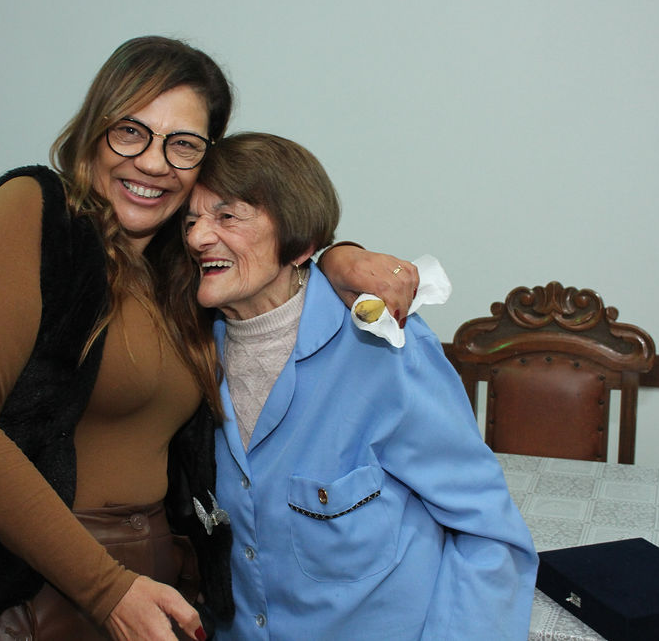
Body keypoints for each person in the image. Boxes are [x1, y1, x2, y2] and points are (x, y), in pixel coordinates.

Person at [0, 36, 421, 640]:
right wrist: (106, 588)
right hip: (30, 590)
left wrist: (336, 256)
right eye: (130, 131)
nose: (153, 163)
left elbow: (272, 241)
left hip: (148, 583)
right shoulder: (34, 211)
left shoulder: (181, 266)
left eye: (183, 145)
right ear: (94, 129)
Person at [185, 132, 539, 639]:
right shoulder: (186, 358)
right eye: (191, 221)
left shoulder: (384, 349)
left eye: (226, 216)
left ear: (300, 242)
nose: (198, 237)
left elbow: (488, 532)